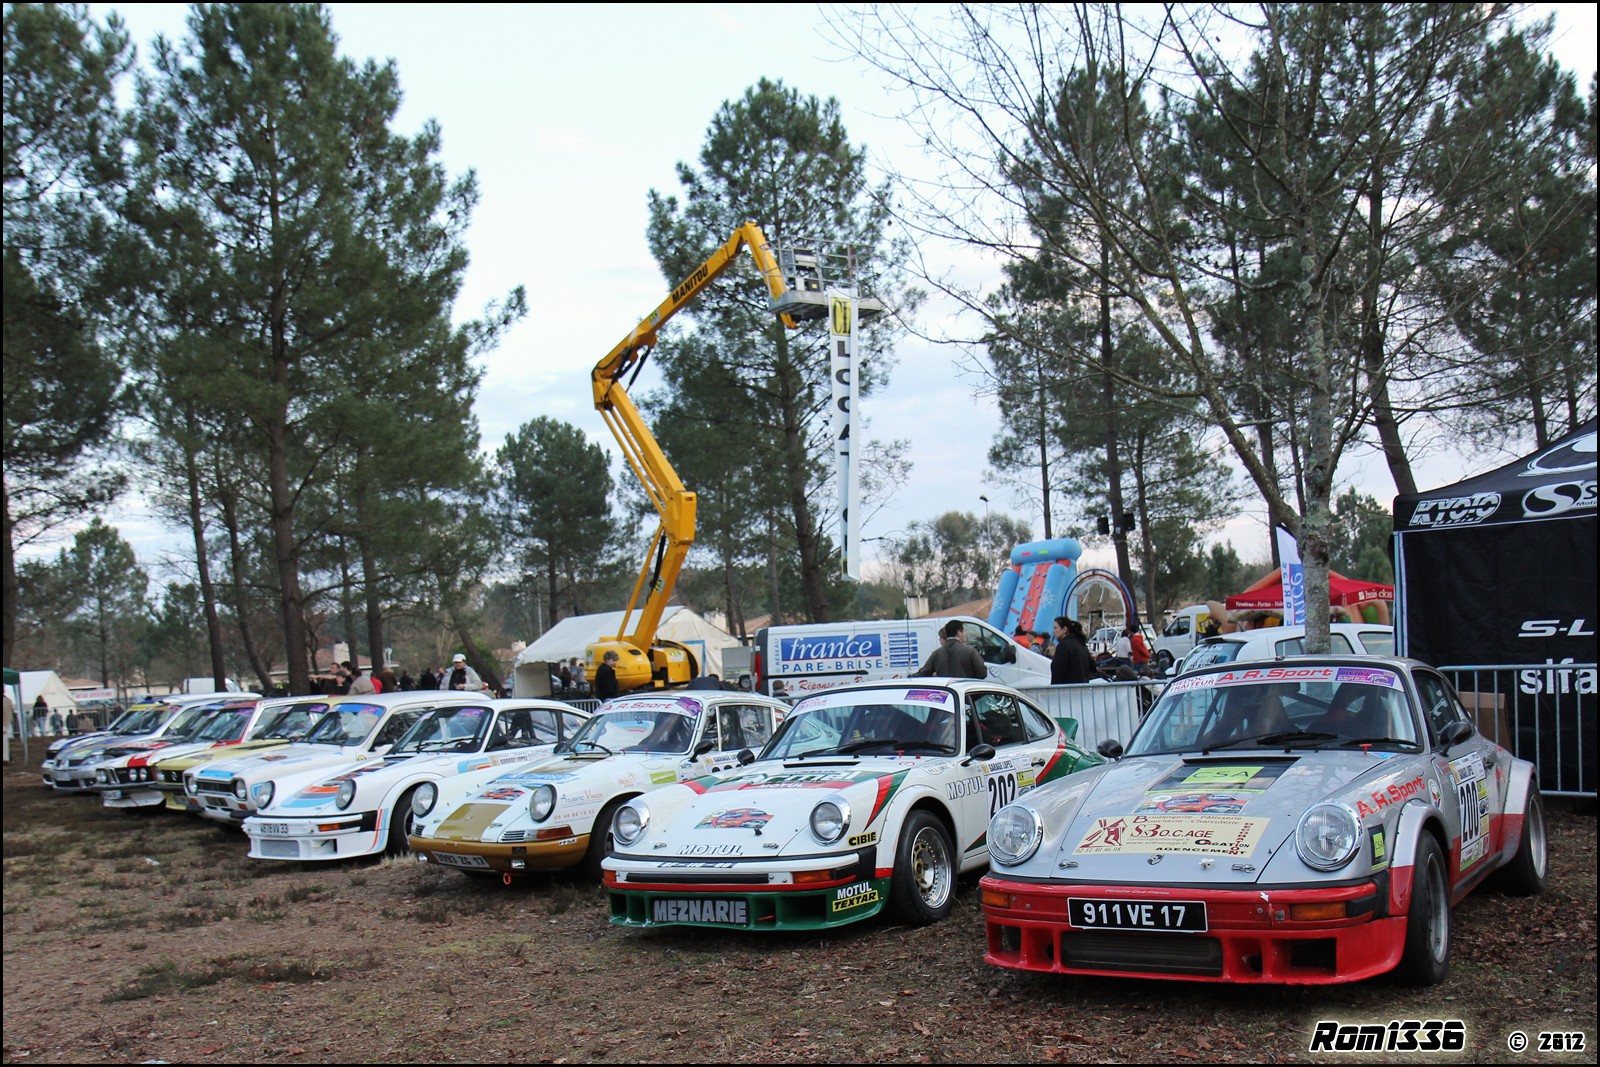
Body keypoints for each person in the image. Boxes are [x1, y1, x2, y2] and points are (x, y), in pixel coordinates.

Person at [911, 620, 988, 679]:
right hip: (965, 695)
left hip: (947, 696)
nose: (965, 634)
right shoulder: (970, 651)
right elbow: (982, 673)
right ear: (958, 633)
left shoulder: (937, 653)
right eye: (964, 631)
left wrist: (908, 678)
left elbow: (924, 673)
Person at [1050, 617, 1097, 684]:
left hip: (1067, 689)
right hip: (1082, 687)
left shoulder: (1063, 646)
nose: (1053, 631)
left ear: (1064, 629)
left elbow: (1058, 671)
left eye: (1055, 628)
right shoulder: (1081, 643)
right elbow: (1092, 666)